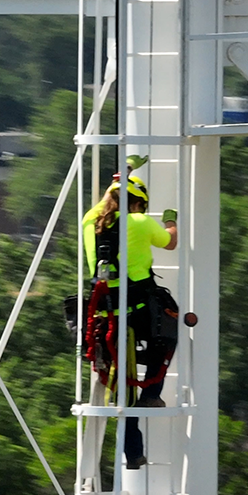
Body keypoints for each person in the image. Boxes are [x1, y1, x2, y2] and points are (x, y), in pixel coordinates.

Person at [82, 169, 177, 469]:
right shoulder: (138, 220)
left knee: (122, 395)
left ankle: (133, 454)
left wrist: (119, 180)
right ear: (138, 203)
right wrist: (171, 219)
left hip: (102, 315)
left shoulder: (90, 222)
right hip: (138, 312)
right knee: (169, 328)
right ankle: (152, 393)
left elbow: (103, 205)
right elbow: (170, 242)